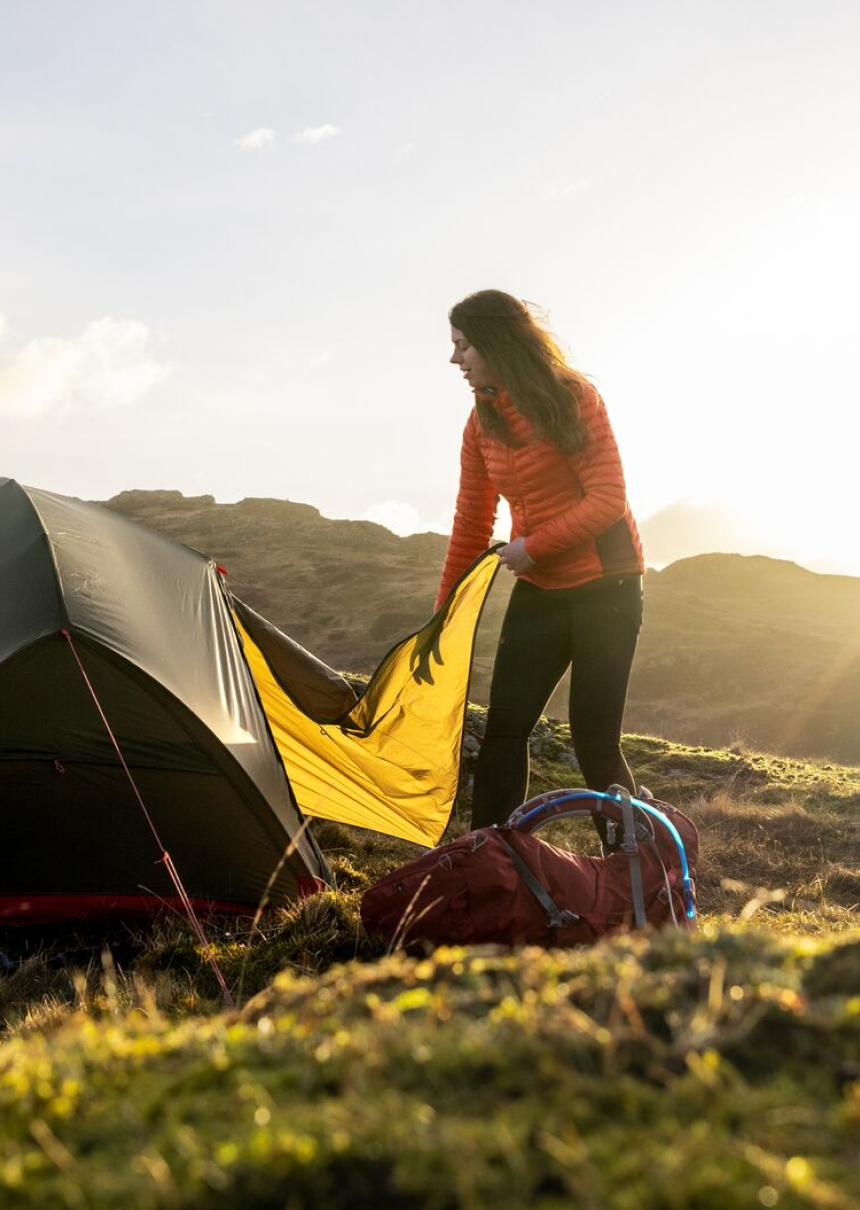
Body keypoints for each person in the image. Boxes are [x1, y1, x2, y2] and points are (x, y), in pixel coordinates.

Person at [435, 289, 645, 833]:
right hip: (542, 591)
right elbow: (470, 522)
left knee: (594, 740)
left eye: (463, 345)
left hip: (608, 587)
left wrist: (532, 547)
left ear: (495, 342)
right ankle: (489, 865)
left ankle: (635, 877)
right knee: (504, 729)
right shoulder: (481, 421)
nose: (455, 359)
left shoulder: (573, 397)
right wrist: (442, 618)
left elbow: (608, 499)